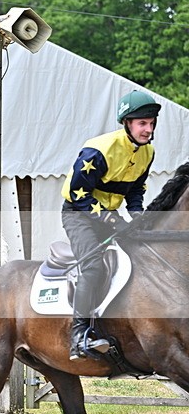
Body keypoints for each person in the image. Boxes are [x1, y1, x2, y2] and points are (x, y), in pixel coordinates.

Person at [61, 90, 160, 361]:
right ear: (127, 123)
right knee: (93, 267)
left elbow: (135, 189)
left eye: (151, 123)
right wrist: (112, 220)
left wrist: (138, 217)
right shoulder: (99, 149)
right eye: (142, 123)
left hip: (109, 217)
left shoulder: (147, 153)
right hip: (78, 214)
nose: (148, 129)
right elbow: (77, 192)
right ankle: (78, 335)